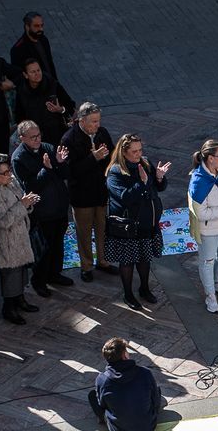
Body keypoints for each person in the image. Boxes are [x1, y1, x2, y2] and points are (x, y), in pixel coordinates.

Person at [103, 134, 170, 309]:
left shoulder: (145, 163)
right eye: (134, 151)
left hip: (147, 222)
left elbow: (158, 187)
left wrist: (159, 177)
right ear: (124, 152)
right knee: (127, 261)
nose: (138, 154)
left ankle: (144, 289)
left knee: (144, 257)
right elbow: (124, 197)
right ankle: (128, 294)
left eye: (140, 150)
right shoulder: (115, 172)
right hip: (128, 226)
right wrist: (142, 183)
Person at [11, 120, 73, 298]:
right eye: (33, 137)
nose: (37, 139)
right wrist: (46, 169)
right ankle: (39, 281)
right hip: (42, 212)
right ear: (22, 138)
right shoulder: (19, 158)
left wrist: (60, 162)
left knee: (58, 244)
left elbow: (64, 174)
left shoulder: (47, 147)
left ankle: (55, 274)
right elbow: (30, 186)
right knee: (42, 249)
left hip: (59, 206)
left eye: (38, 135)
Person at [0, 152, 40, 325]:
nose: (9, 175)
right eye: (4, 173)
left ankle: (20, 299)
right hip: (6, 240)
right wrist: (23, 205)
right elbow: (2, 221)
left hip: (20, 235)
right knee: (10, 275)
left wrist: (28, 203)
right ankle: (9, 308)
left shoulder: (9, 181)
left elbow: (20, 200)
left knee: (21, 271)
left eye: (9, 170)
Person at [61, 101, 114, 280]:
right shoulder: (69, 139)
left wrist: (107, 158)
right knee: (84, 232)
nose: (97, 125)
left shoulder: (102, 133)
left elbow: (112, 156)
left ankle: (103, 261)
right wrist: (93, 158)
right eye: (94, 121)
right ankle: (86, 266)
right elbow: (70, 171)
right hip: (82, 195)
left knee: (102, 228)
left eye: (98, 120)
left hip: (101, 191)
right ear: (82, 121)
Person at [187, 138, 218, 314]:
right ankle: (210, 296)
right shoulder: (199, 182)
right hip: (208, 229)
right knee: (207, 262)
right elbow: (201, 213)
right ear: (210, 158)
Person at [89, 337, 163, 431]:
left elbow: (102, 404)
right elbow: (155, 400)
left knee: (92, 395)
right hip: (149, 427)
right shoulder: (145, 373)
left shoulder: (102, 379)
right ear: (124, 355)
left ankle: (103, 420)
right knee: (156, 389)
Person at [11, 59, 73, 147]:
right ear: (26, 75)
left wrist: (60, 109)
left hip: (57, 134)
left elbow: (70, 105)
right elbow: (19, 116)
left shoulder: (53, 85)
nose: (37, 74)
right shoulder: (22, 91)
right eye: (33, 72)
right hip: (36, 138)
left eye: (38, 70)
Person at [10, 11, 60, 87]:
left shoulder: (44, 40)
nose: (41, 29)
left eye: (42, 25)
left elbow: (49, 63)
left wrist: (56, 82)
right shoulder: (18, 50)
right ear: (27, 27)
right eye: (36, 26)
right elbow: (18, 76)